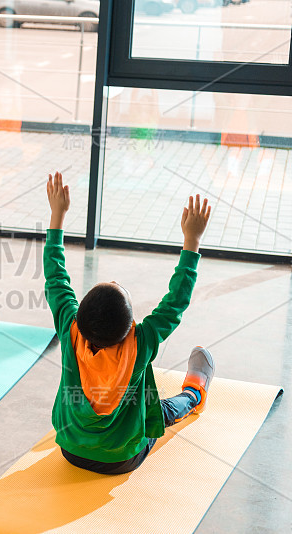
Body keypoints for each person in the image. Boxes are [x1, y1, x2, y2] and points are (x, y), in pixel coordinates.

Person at [43, 171, 215, 474]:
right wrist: (192, 241)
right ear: (131, 326)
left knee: (139, 400)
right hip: (122, 460)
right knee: (156, 410)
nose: (111, 279)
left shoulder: (69, 328)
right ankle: (194, 393)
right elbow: (175, 303)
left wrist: (57, 216)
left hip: (70, 450)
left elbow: (55, 276)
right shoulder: (141, 342)